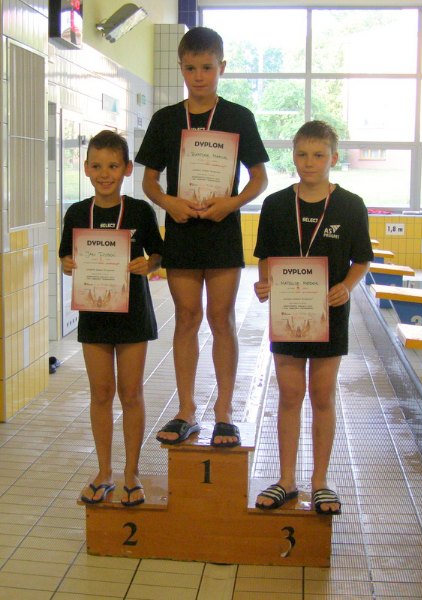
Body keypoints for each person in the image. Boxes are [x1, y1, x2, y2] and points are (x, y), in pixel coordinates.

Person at [135, 27, 269, 447]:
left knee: (222, 319)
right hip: (182, 230)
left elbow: (260, 178)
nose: (199, 76)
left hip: (222, 229)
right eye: (191, 68)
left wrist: (233, 204)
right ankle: (186, 410)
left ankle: (224, 413)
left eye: (207, 68)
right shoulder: (165, 120)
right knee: (187, 318)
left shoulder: (238, 117)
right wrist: (168, 203)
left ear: (221, 67)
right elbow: (149, 181)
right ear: (181, 67)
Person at [253, 121, 374, 514]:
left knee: (322, 395)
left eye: (318, 155)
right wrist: (264, 283)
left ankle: (320, 481)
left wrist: (348, 286)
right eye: (302, 154)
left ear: (333, 158)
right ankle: (286, 479)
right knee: (289, 395)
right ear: (293, 156)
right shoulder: (275, 204)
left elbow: (362, 259)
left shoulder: (350, 205)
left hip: (330, 313)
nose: (309, 162)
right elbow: (265, 256)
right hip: (288, 313)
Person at [59, 130, 164, 507]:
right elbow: (66, 258)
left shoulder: (139, 211)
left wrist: (148, 264)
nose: (105, 174)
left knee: (131, 394)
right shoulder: (77, 212)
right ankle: (104, 472)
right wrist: (67, 264)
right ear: (87, 168)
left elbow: (158, 255)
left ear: (127, 169)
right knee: (101, 394)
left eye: (113, 166)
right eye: (98, 166)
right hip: (95, 315)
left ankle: (131, 473)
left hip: (133, 314)